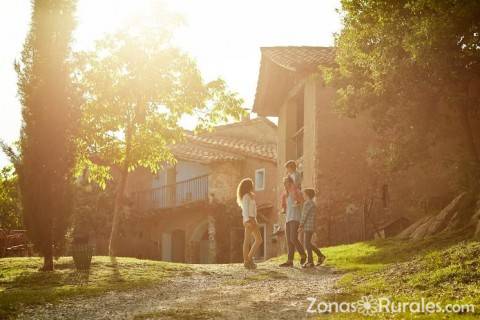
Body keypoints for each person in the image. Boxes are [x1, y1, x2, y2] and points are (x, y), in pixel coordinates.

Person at [279, 176, 307, 267]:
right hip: (288, 218)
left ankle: (303, 255)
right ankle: (290, 261)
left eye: (286, 182)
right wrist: (283, 210)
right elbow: (285, 207)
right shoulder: (285, 195)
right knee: (289, 241)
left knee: (293, 238)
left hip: (295, 218)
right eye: (284, 183)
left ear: (290, 182)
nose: (284, 184)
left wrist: (298, 202)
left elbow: (303, 201)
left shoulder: (296, 191)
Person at [237, 178, 263, 269]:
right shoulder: (245, 197)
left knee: (259, 240)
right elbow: (245, 210)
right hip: (248, 220)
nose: (253, 186)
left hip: (253, 219)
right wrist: (246, 221)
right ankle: (246, 261)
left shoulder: (251, 196)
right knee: (247, 241)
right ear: (248, 186)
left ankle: (249, 258)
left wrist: (255, 220)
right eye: (251, 184)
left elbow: (253, 210)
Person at [298, 188, 326, 268]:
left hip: (308, 226)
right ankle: (320, 256)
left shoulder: (307, 203)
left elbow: (304, 215)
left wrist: (301, 225)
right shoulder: (312, 203)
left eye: (304, 194)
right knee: (308, 243)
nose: (303, 195)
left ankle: (310, 262)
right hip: (310, 226)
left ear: (307, 195)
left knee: (307, 243)